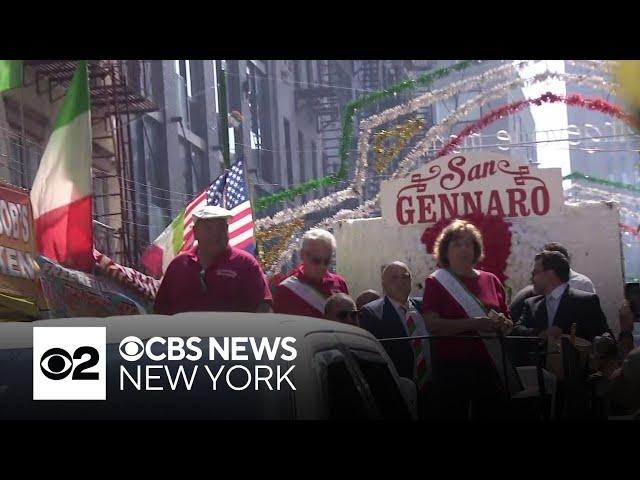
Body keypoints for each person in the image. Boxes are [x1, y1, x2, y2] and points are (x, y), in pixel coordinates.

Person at [422, 219, 519, 420]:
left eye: (468, 244)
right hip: (453, 370)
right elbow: (433, 325)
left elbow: (509, 323)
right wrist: (475, 324)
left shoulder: (490, 280)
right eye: (457, 244)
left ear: (476, 250)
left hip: (491, 368)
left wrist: (503, 324)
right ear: (445, 250)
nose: (464, 249)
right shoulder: (436, 281)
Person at [154, 205, 272, 314]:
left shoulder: (245, 263)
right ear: (195, 232)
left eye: (221, 228)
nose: (216, 234)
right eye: (209, 228)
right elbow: (161, 308)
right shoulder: (179, 264)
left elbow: (263, 306)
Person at [359, 262, 429, 418]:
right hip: (398, 394)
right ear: (383, 284)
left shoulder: (424, 307)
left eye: (405, 276)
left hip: (432, 390)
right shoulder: (372, 313)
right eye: (394, 278)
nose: (401, 282)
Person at [512, 251, 609, 342]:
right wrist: (541, 333)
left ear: (550, 273)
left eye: (535, 273)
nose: (532, 278)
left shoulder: (586, 302)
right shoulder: (531, 304)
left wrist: (602, 343)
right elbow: (517, 331)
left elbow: (605, 336)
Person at [510, 242, 595, 323]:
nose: (533, 278)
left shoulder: (583, 284)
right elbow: (518, 329)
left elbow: (592, 325)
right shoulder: (530, 298)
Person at [273, 229, 349, 318]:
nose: (322, 267)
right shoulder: (286, 290)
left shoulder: (339, 283)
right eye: (316, 261)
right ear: (302, 255)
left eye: (327, 261)